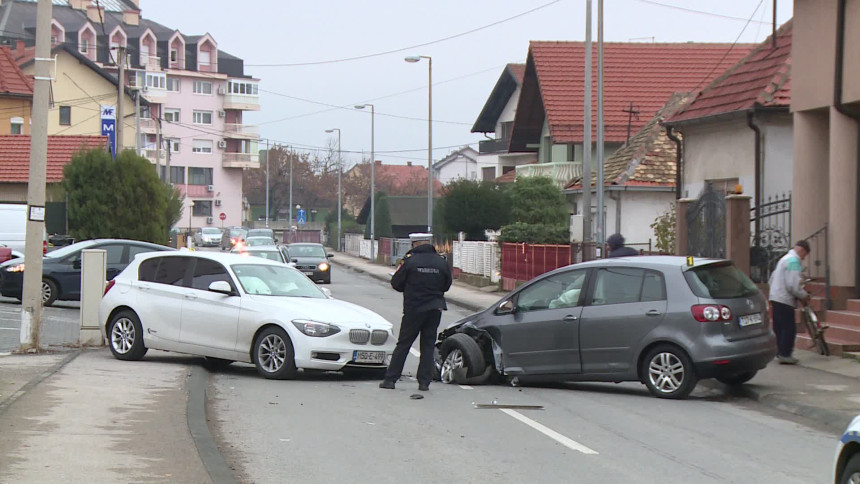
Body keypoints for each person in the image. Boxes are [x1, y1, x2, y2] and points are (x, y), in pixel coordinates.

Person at [380, 233, 452, 392]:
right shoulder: (441, 262)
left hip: (414, 308)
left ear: (414, 244)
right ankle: (424, 382)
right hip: (435, 308)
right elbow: (447, 285)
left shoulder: (410, 261)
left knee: (404, 344)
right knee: (427, 345)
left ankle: (391, 379)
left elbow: (396, 283)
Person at [768, 240, 811, 364]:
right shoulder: (794, 261)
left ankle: (779, 351)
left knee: (779, 326)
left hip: (776, 296)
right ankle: (786, 354)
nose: (803, 259)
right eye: (804, 255)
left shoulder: (784, 259)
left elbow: (772, 278)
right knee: (789, 328)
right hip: (785, 299)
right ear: (802, 251)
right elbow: (793, 285)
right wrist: (803, 295)